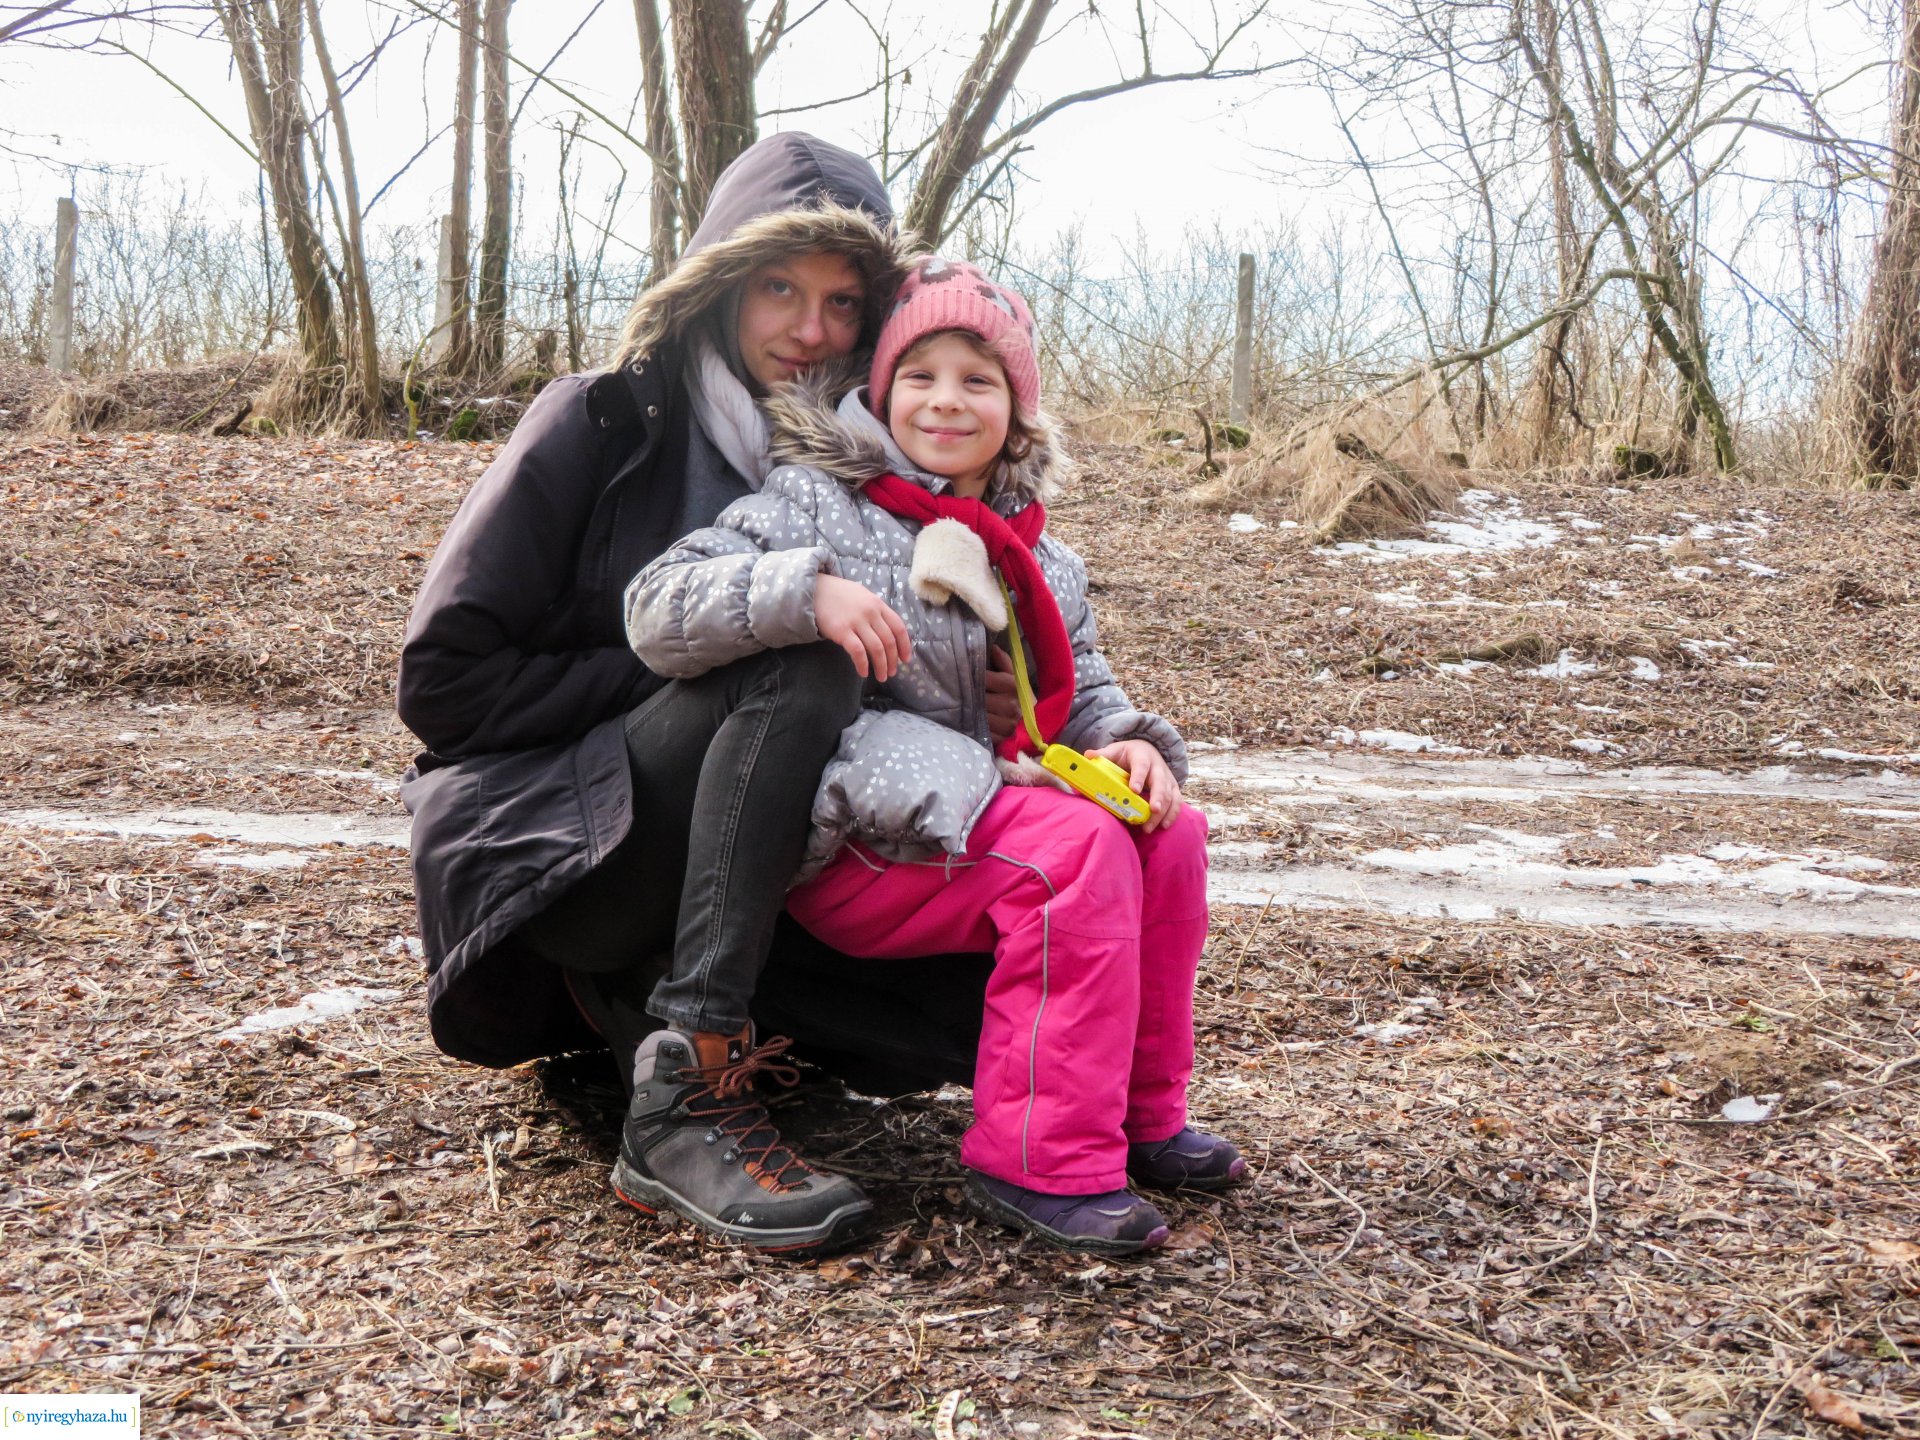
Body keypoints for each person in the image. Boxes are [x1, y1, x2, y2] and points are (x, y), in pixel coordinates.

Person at [397, 135, 991, 1260]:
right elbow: (444, 682)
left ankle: (1069, 1110)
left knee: (975, 1003)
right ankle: (687, 1092)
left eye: (841, 301)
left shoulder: (882, 472)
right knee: (789, 651)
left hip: (779, 836)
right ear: (719, 279)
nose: (808, 331)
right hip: (568, 843)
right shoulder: (602, 422)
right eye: (778, 287)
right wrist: (706, 643)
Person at [625, 258, 1246, 1256]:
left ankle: (1137, 1116)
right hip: (858, 832)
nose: (946, 401)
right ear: (878, 389)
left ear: (1017, 408)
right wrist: (802, 592)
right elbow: (656, 608)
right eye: (920, 375)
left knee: (1164, 836)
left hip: (973, 818)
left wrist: (1128, 746)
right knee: (1071, 854)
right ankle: (1038, 1161)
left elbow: (1082, 690)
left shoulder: (1039, 556)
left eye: (978, 379)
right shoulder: (819, 504)